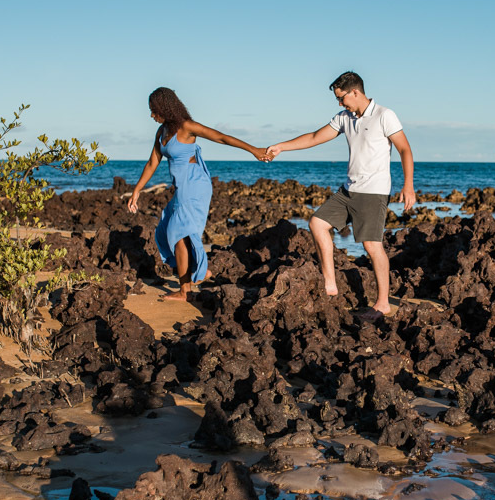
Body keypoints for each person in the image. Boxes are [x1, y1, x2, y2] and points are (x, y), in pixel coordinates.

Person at [267, 71, 415, 319]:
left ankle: (382, 303)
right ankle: (330, 283)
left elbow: (404, 149)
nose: (340, 103)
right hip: (348, 190)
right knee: (317, 223)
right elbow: (315, 137)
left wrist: (408, 185)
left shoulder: (384, 115)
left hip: (373, 193)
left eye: (341, 97)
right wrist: (282, 146)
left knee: (372, 245)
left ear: (355, 92)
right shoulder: (345, 117)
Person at [128, 87, 268, 301]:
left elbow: (221, 137)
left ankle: (188, 288)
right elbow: (152, 162)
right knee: (168, 230)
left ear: (164, 108)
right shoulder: (162, 132)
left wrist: (254, 150)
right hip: (181, 188)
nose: (151, 115)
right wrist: (136, 191)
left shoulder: (187, 127)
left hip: (195, 186)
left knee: (178, 233)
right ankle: (199, 274)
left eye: (153, 110)